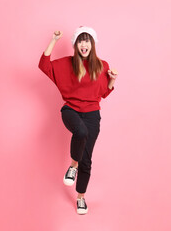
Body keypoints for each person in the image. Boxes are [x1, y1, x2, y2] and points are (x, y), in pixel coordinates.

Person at [38, 26, 118, 214]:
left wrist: (112, 79)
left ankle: (81, 198)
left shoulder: (102, 65)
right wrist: (54, 40)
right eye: (81, 41)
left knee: (87, 161)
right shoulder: (67, 63)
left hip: (92, 114)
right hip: (71, 110)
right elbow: (44, 65)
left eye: (87, 40)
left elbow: (104, 93)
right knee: (80, 132)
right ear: (76, 44)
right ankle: (72, 166)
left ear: (92, 44)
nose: (84, 44)